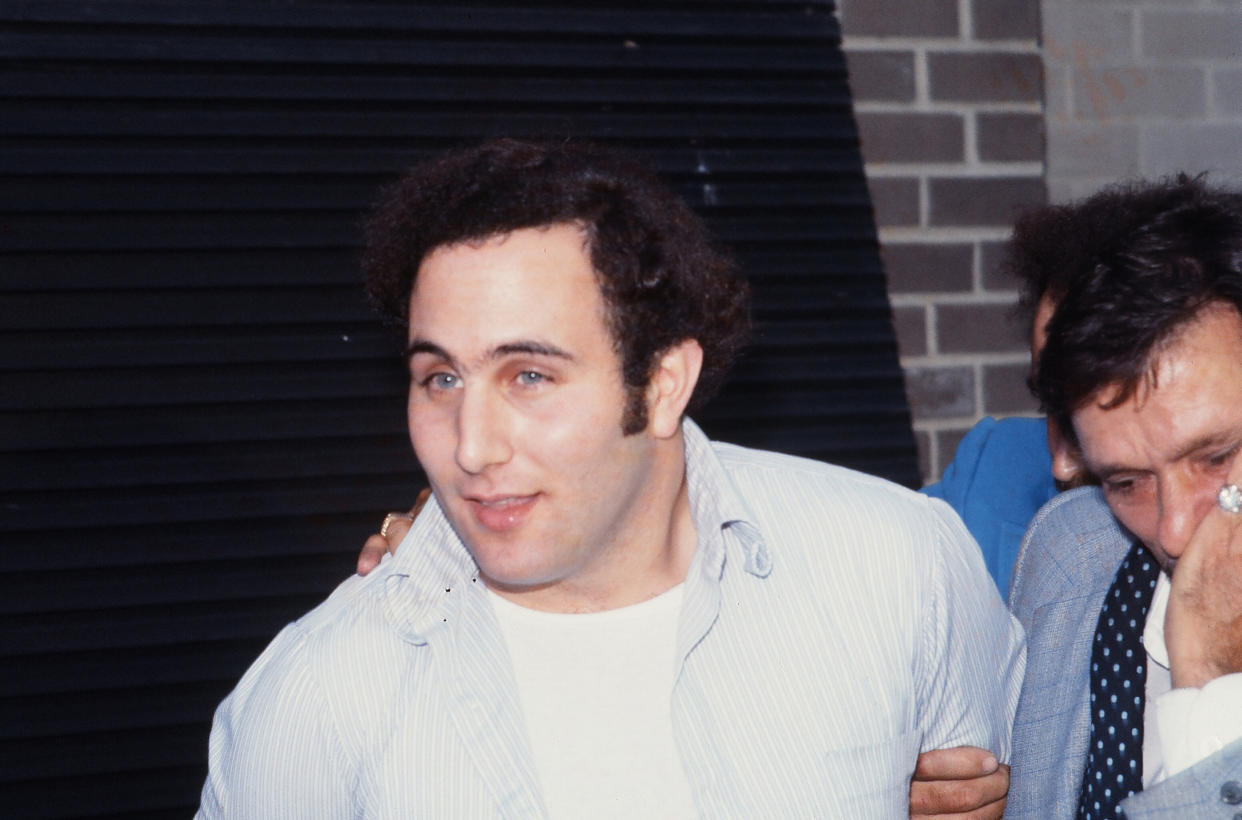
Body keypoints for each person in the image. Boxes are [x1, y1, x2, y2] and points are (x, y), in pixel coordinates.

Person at [196, 138, 1024, 818]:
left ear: (663, 383)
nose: (473, 448)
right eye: (440, 378)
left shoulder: (899, 566)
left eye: (529, 376)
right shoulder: (320, 692)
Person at [942, 177, 1242, 818]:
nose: (1175, 531)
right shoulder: (1072, 551)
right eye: (1126, 482)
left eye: (1215, 457)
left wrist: (1217, 692)